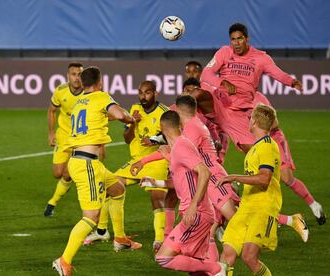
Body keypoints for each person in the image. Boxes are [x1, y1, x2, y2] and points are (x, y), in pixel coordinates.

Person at [52, 66, 141, 276]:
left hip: (86, 161)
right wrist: (132, 118)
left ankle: (119, 238)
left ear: (82, 83)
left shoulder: (79, 102)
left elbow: (99, 116)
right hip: (87, 164)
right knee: (91, 217)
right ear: (100, 82)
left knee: (118, 188)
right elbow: (120, 115)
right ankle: (64, 261)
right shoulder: (101, 97)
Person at [84, 80, 169, 253]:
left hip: (157, 160)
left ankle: (160, 240)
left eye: (147, 93)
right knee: (111, 186)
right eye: (140, 93)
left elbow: (171, 137)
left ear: (155, 93)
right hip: (136, 161)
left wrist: (153, 140)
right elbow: (127, 139)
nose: (143, 96)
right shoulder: (134, 109)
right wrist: (132, 123)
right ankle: (106, 232)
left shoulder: (164, 112)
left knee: (156, 196)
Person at [200, 22, 302, 154]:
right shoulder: (224, 52)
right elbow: (206, 74)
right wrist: (222, 82)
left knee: (253, 152)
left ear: (247, 39)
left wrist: (292, 82)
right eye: (233, 39)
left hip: (237, 112)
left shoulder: (261, 58)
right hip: (219, 102)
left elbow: (277, 73)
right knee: (198, 92)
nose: (236, 43)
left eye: (240, 38)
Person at [148, 110, 226, 275]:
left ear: (162, 128)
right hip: (198, 213)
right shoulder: (179, 147)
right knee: (195, 268)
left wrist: (193, 205)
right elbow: (184, 182)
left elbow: (205, 172)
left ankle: (217, 268)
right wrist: (157, 182)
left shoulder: (181, 146)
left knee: (164, 258)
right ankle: (214, 270)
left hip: (196, 214)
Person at [216, 104, 283, 275]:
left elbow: (264, 179)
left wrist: (234, 177)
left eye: (250, 117)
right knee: (227, 253)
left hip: (262, 209)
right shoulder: (256, 147)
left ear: (254, 122)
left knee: (249, 257)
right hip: (246, 208)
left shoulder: (267, 146)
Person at [254, 92, 326, 225]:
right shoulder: (236, 100)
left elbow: (275, 123)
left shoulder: (259, 98)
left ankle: (314, 205)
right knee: (263, 180)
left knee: (287, 178)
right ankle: (274, 217)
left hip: (274, 139)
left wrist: (260, 127)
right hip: (259, 144)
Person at [44, 63, 84, 217]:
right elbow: (52, 110)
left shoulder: (89, 93)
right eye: (73, 74)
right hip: (63, 136)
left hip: (80, 139)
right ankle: (63, 188)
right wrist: (51, 133)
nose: (76, 78)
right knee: (57, 173)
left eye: (79, 74)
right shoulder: (61, 91)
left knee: (68, 173)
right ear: (68, 76)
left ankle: (52, 202)